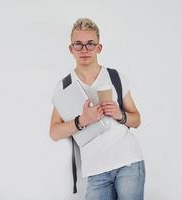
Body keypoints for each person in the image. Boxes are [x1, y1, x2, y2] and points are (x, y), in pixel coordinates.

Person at [49, 18, 145, 200]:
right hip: (96, 170)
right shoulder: (64, 86)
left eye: (90, 44)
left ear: (99, 48)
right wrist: (81, 121)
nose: (84, 50)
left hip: (128, 161)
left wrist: (119, 114)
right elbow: (54, 132)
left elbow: (137, 119)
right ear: (71, 49)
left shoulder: (115, 77)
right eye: (78, 44)